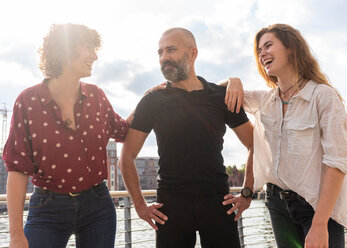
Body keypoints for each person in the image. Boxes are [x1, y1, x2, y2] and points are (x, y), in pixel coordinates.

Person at [2, 23, 164, 248]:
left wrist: (146, 99)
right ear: (65, 50)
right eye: (88, 48)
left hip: (98, 206)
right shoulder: (28, 102)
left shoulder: (96, 96)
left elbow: (123, 131)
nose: (94, 56)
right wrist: (16, 234)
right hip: (47, 209)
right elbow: (17, 168)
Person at [119, 27, 254, 248]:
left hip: (218, 202)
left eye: (171, 50)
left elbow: (253, 143)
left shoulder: (221, 97)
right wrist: (140, 205)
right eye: (160, 53)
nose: (164, 58)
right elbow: (127, 155)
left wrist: (247, 191)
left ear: (193, 53)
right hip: (171, 206)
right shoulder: (152, 100)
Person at [223, 24, 347, 248]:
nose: (262, 53)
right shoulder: (265, 100)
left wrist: (320, 223)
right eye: (259, 50)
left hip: (316, 208)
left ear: (291, 48)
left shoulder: (322, 96)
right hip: (277, 205)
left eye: (268, 45)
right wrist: (233, 80)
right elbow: (215, 93)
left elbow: (337, 163)